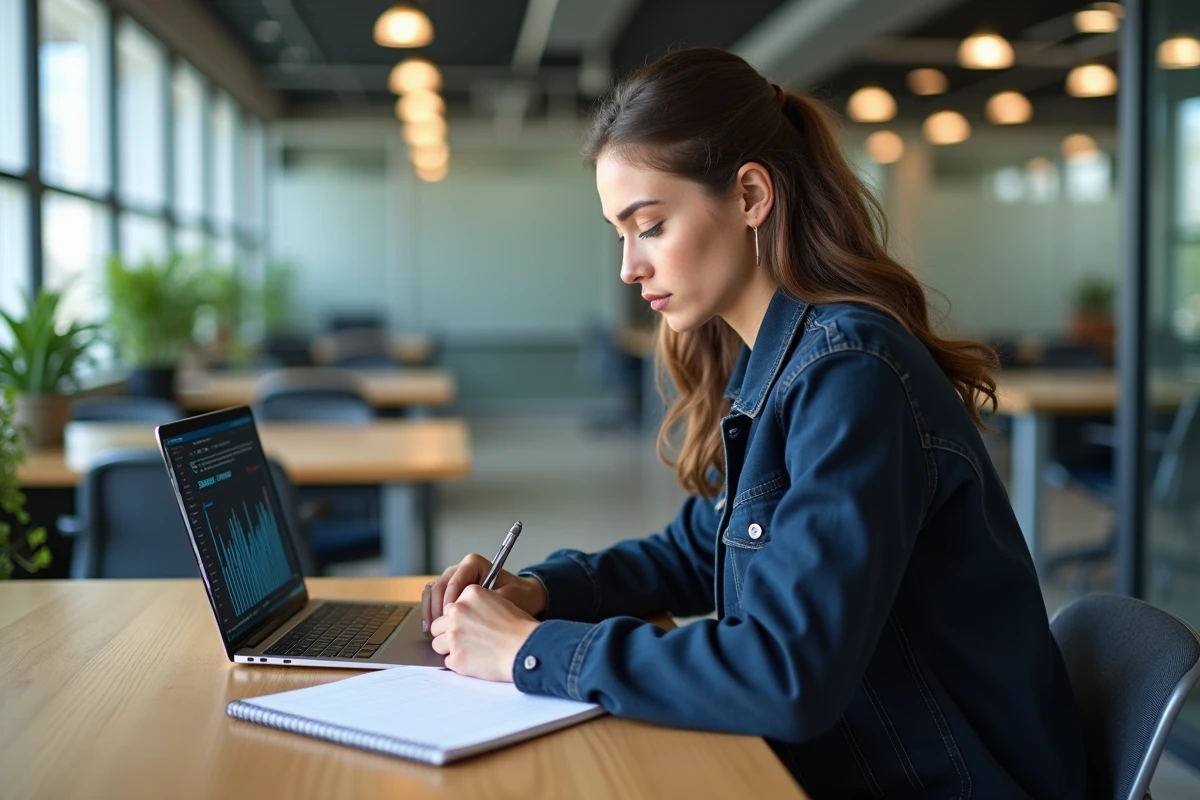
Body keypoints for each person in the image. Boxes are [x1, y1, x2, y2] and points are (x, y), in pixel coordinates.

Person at [420, 47, 1086, 798]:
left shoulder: (849, 374)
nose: (628, 268)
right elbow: (704, 544)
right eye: (621, 234)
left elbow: (788, 673)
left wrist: (533, 652)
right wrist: (541, 592)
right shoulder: (784, 358)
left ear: (749, 196)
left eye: (651, 226)